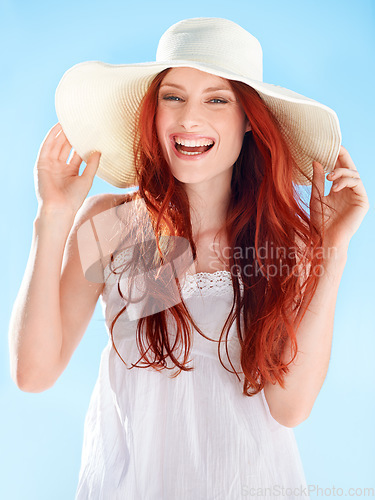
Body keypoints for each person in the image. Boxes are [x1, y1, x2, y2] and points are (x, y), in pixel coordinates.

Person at [9, 17, 369, 500]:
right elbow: (34, 372)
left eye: (216, 99)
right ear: (152, 111)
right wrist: (52, 218)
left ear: (248, 118)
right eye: (172, 96)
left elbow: (290, 408)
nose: (188, 119)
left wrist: (334, 250)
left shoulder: (282, 243)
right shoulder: (116, 224)